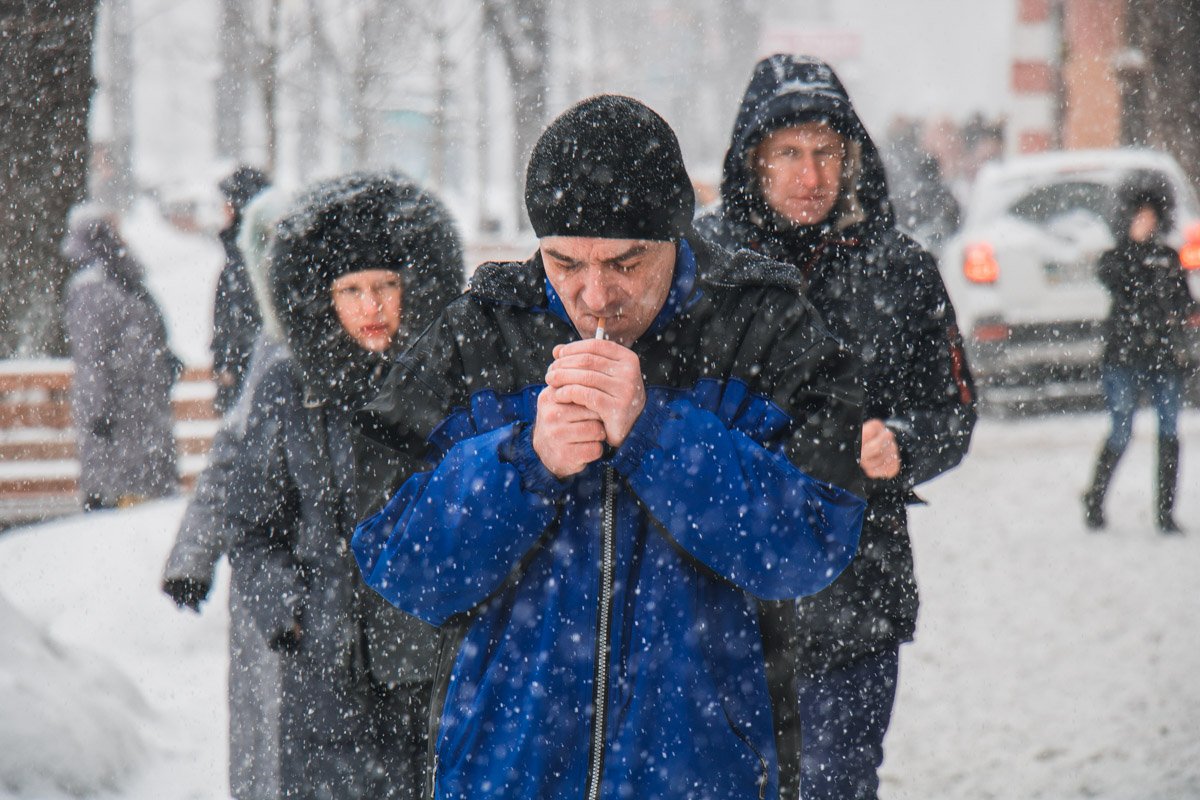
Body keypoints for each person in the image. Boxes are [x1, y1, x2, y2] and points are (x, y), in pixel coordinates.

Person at [351, 94, 867, 800]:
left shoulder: (762, 326)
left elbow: (813, 542)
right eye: (564, 263)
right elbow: (396, 558)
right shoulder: (481, 332)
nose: (594, 295)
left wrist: (655, 434)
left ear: (677, 238)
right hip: (510, 770)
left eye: (626, 263)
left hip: (701, 770)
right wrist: (524, 462)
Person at [695, 54, 977, 800]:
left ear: (853, 156)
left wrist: (904, 445)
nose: (810, 174)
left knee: (835, 784)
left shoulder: (901, 269)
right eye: (788, 153)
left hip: (855, 594)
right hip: (723, 595)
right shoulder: (698, 264)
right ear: (753, 160)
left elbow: (954, 409)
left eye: (826, 151)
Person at [223, 173, 464, 800]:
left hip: (433, 664)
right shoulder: (289, 388)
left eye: (386, 285)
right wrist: (291, 613)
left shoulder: (450, 381)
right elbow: (252, 529)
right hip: (326, 680)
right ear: (321, 296)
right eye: (351, 289)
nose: (372, 307)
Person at [161, 187, 293, 800]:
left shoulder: (339, 336)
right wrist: (192, 555)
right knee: (271, 742)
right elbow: (232, 458)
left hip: (315, 577)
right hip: (273, 575)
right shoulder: (277, 343)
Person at [1083, 173, 1199, 534]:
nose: (1145, 223)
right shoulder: (1114, 259)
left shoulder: (1167, 258)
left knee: (1169, 431)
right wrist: (1136, 256)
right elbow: (1117, 282)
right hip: (1124, 357)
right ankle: (1095, 499)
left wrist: (1186, 313)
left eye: (1150, 217)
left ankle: (1165, 514)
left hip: (1163, 357)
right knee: (1121, 431)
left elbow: (1183, 303)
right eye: (1139, 216)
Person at [62, 209, 181, 511]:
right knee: (146, 510)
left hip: (115, 429)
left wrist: (96, 416)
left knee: (110, 517)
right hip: (148, 419)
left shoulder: (89, 290)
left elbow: (92, 362)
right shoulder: (130, 281)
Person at [212, 165, 270, 414]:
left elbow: (242, 320)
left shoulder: (249, 259)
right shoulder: (242, 255)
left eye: (228, 203)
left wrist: (229, 364)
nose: (223, 210)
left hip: (251, 381)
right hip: (250, 378)